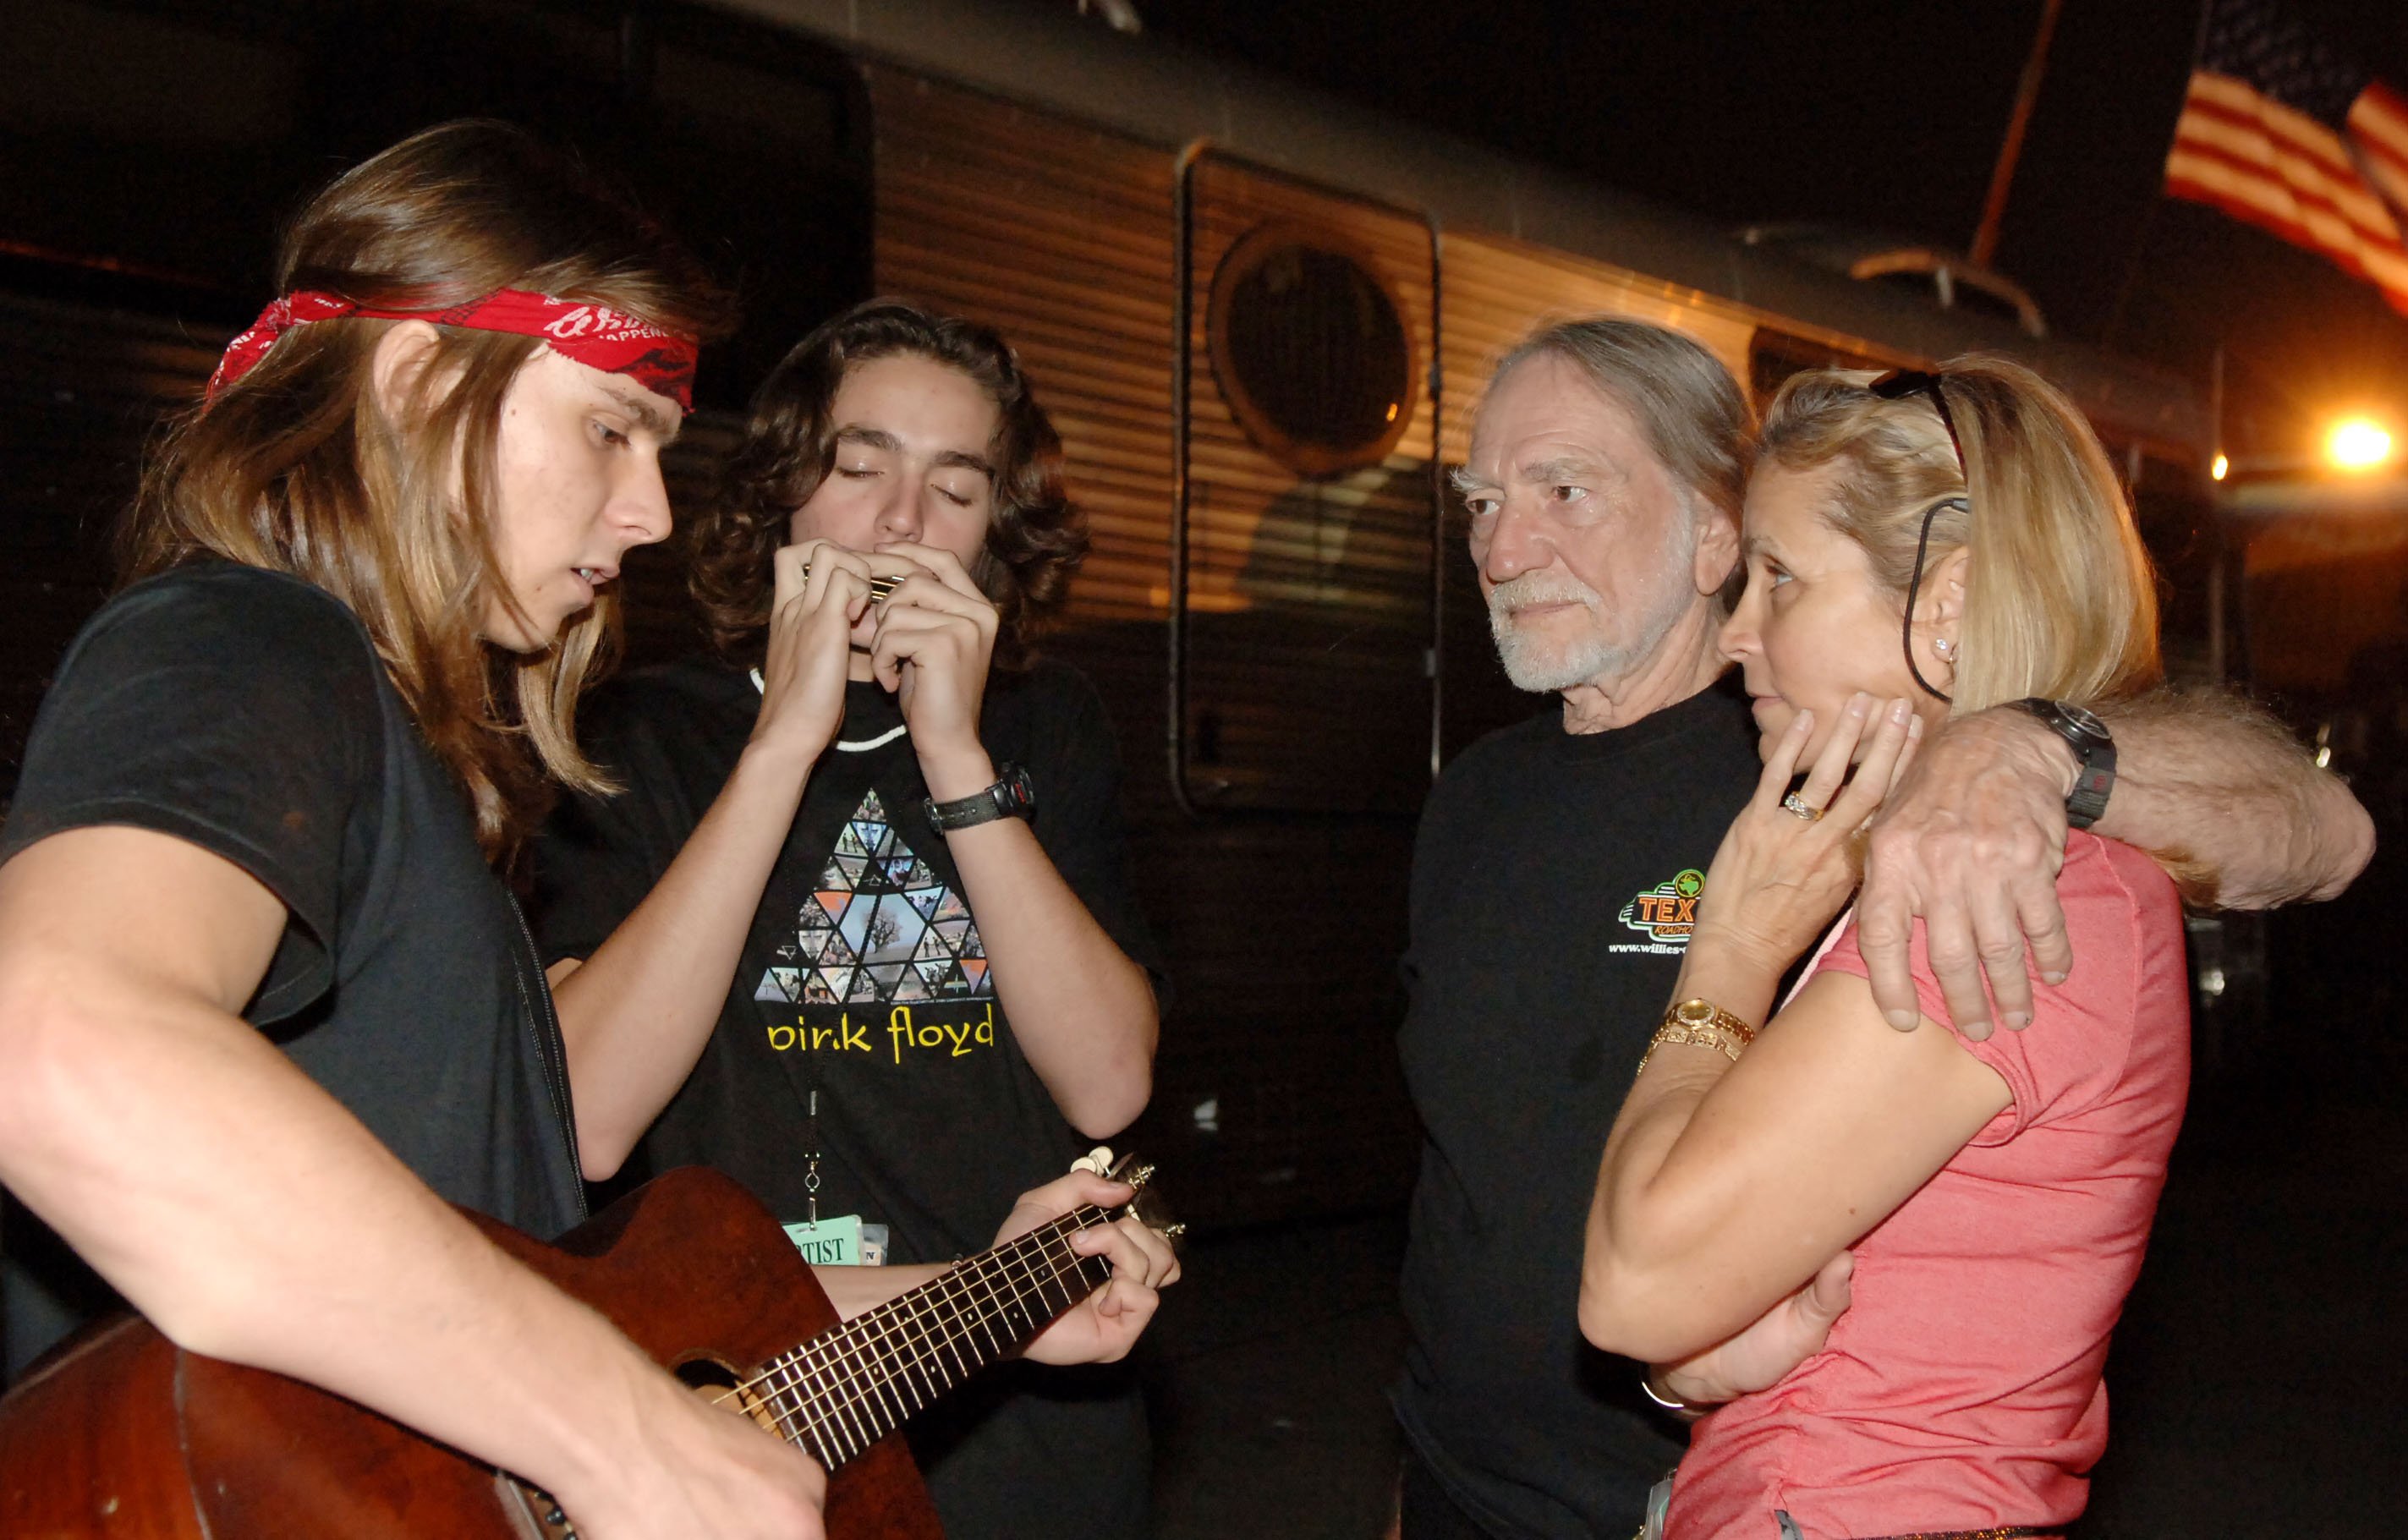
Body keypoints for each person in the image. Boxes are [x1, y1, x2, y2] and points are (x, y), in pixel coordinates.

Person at [0, 124, 1172, 1540]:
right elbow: (52, 1037)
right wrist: (620, 1436)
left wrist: (985, 1293)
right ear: (423, 383)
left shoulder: (415, 763)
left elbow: (554, 1290)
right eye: (611, 430)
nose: (651, 508)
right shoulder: (245, 638)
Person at [1392, 321, 2372, 1540]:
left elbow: (2326, 828)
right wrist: (1682, 1366)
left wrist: (2026, 746)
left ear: (1947, 600)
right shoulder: (1528, 797)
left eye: (1781, 577)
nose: (1499, 540)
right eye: (1481, 497)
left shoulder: (1982, 869)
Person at [530, 298, 1163, 1540]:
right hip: (750, 1404)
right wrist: (783, 744)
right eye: (858, 465)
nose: (901, 523)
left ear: (994, 538)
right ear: (782, 493)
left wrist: (953, 748)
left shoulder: (1049, 728)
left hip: (1029, 1394)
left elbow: (1107, 1086)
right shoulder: (638, 732)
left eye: (957, 490)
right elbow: (586, 1117)